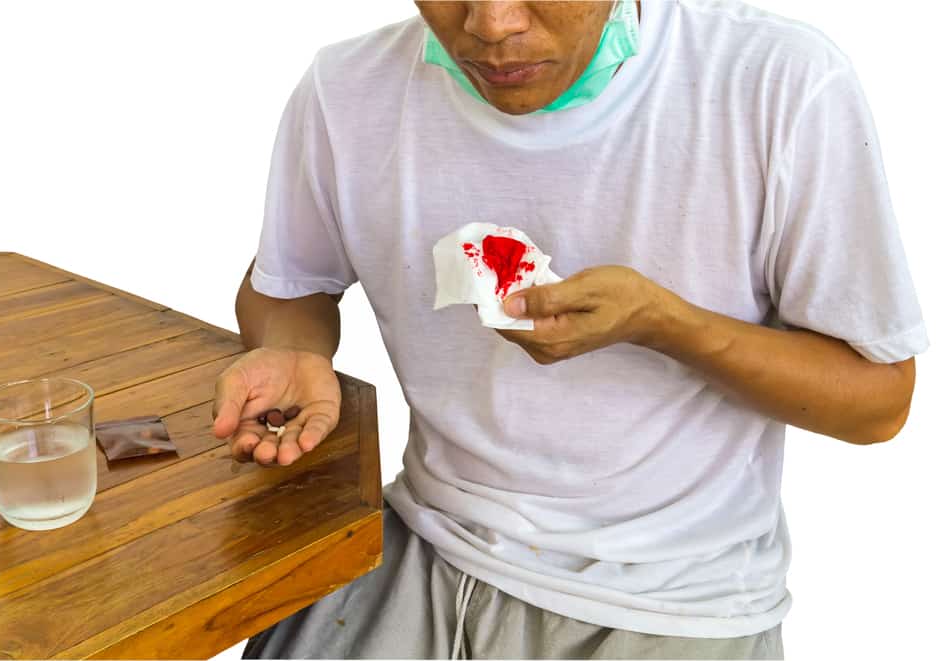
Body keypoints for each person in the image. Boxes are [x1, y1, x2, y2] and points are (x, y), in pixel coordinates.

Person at [211, 1, 928, 658]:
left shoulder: (776, 82)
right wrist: (292, 347)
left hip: (671, 602)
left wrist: (664, 323)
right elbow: (290, 285)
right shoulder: (347, 89)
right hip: (421, 544)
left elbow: (878, 401)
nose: (491, 24)